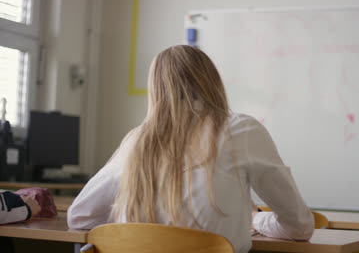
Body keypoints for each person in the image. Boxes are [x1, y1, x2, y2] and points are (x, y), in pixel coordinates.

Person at [67, 45, 314, 253]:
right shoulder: (241, 129)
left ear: (156, 89)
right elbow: (300, 227)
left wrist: (135, 225)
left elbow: (79, 217)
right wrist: (255, 219)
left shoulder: (137, 140)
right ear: (212, 81)